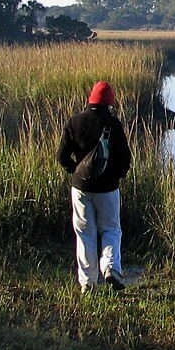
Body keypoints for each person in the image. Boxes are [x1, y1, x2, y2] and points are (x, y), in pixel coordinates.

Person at [57, 80, 132, 293]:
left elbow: (61, 156)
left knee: (84, 232)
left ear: (91, 98)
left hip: (80, 188)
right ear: (110, 101)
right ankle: (110, 268)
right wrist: (116, 176)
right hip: (107, 188)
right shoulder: (113, 124)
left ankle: (87, 283)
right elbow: (125, 158)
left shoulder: (75, 121)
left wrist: (75, 171)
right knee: (111, 229)